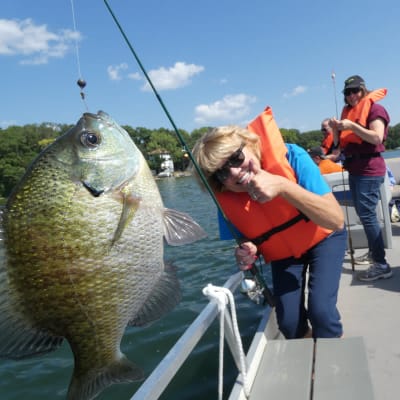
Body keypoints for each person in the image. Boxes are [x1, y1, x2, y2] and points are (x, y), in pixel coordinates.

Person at [192, 107, 347, 339]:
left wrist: (283, 186)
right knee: (289, 323)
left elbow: (335, 220)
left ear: (250, 144)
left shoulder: (293, 156)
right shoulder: (224, 198)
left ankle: (332, 359)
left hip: (323, 236)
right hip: (284, 253)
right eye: (221, 173)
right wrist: (248, 248)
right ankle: (308, 355)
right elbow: (243, 237)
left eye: (236, 158)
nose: (235, 173)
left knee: (322, 312)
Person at [329, 75, 392, 281]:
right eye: (347, 92)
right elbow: (339, 147)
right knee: (364, 214)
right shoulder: (349, 113)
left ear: (363, 90)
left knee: (367, 215)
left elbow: (376, 137)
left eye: (355, 91)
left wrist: (353, 126)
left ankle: (381, 264)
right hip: (355, 169)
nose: (351, 96)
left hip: (369, 170)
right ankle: (376, 254)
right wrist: (337, 131)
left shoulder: (375, 109)